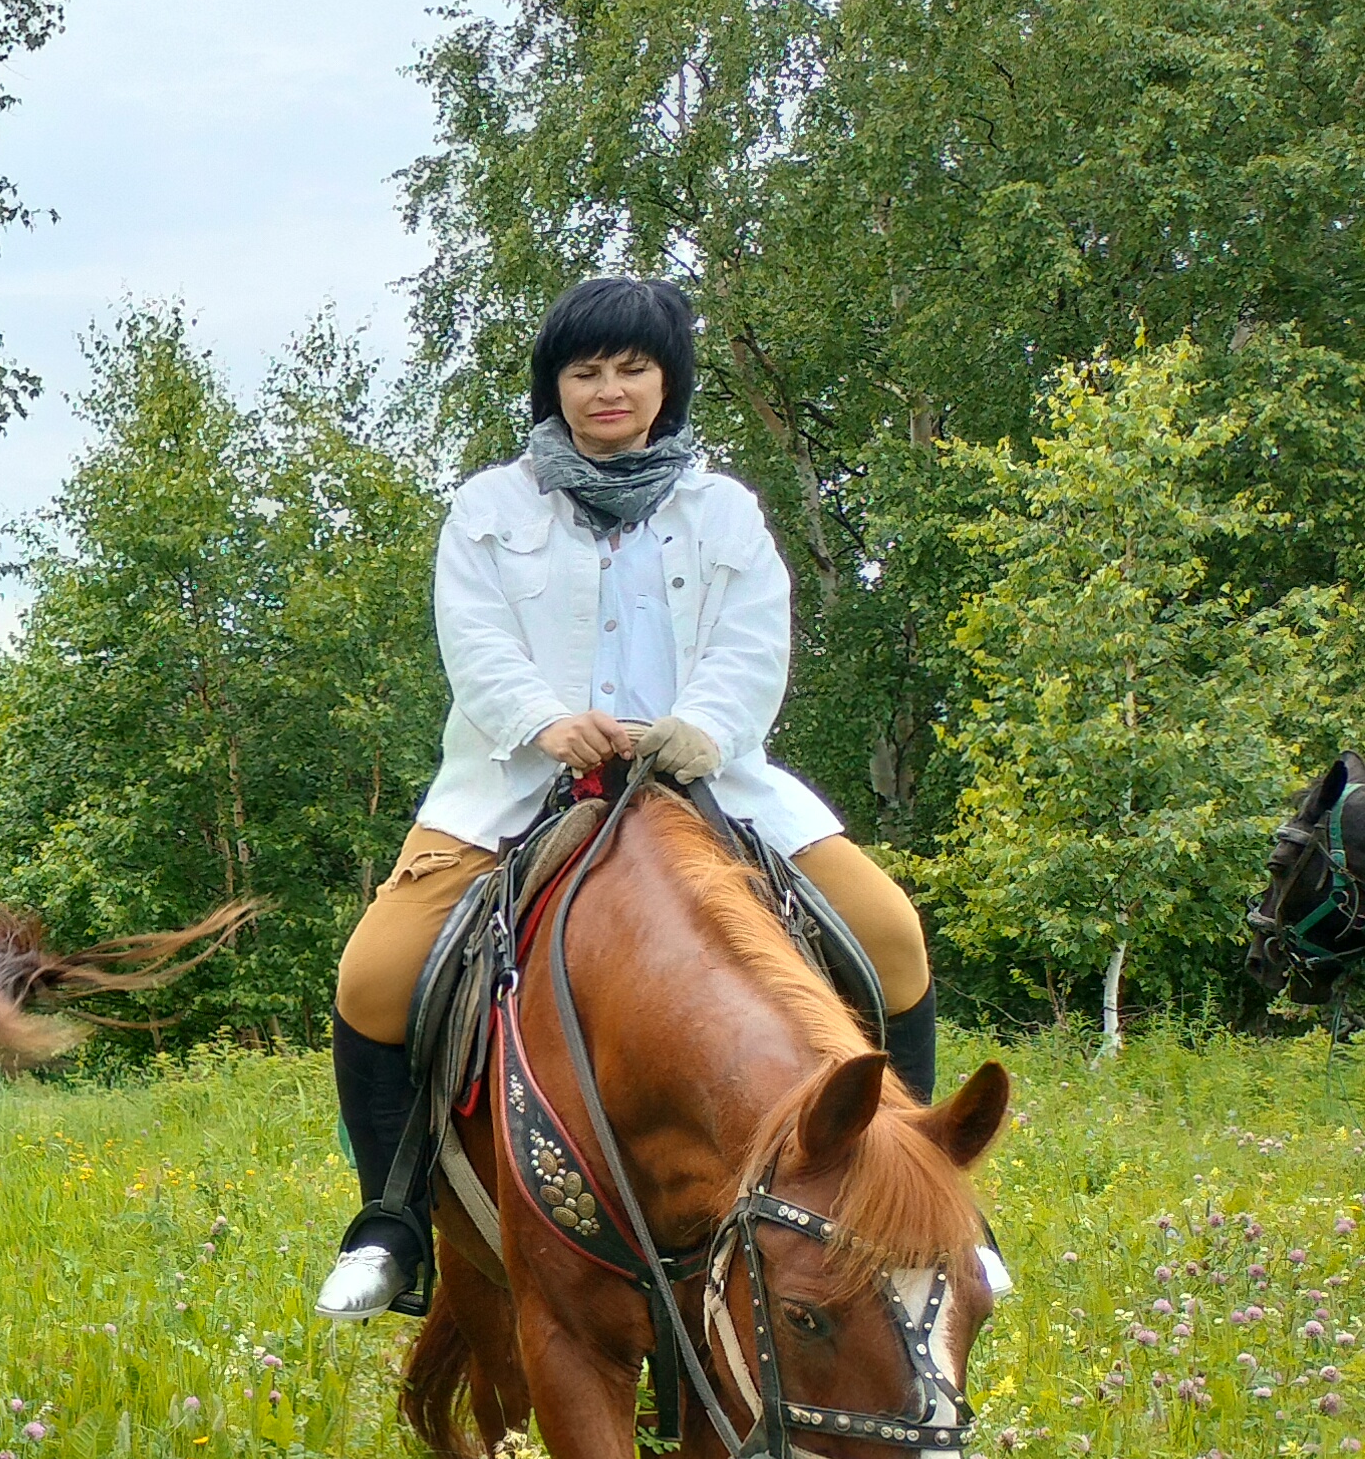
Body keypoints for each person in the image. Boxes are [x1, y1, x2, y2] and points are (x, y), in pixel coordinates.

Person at [316, 274, 933, 1319]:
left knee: (891, 937)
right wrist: (545, 721)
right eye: (585, 370)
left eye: (632, 369)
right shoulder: (489, 507)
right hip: (514, 785)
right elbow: (474, 638)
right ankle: (392, 1224)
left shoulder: (722, 510)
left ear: (667, 382)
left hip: (706, 780)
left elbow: (752, 641)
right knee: (374, 977)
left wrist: (698, 728)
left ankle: (913, 1191)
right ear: (553, 385)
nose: (608, 389)